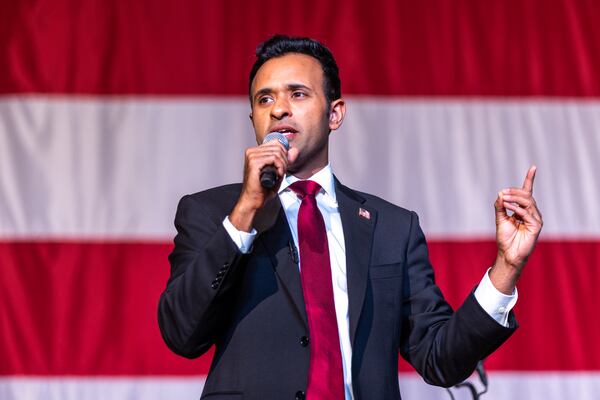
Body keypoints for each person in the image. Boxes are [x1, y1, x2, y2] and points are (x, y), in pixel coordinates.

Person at [157, 35, 543, 400]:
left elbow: (441, 360)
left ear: (335, 113)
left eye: (298, 93)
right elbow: (182, 333)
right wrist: (245, 211)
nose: (278, 109)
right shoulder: (211, 213)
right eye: (264, 99)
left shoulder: (393, 228)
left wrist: (506, 268)